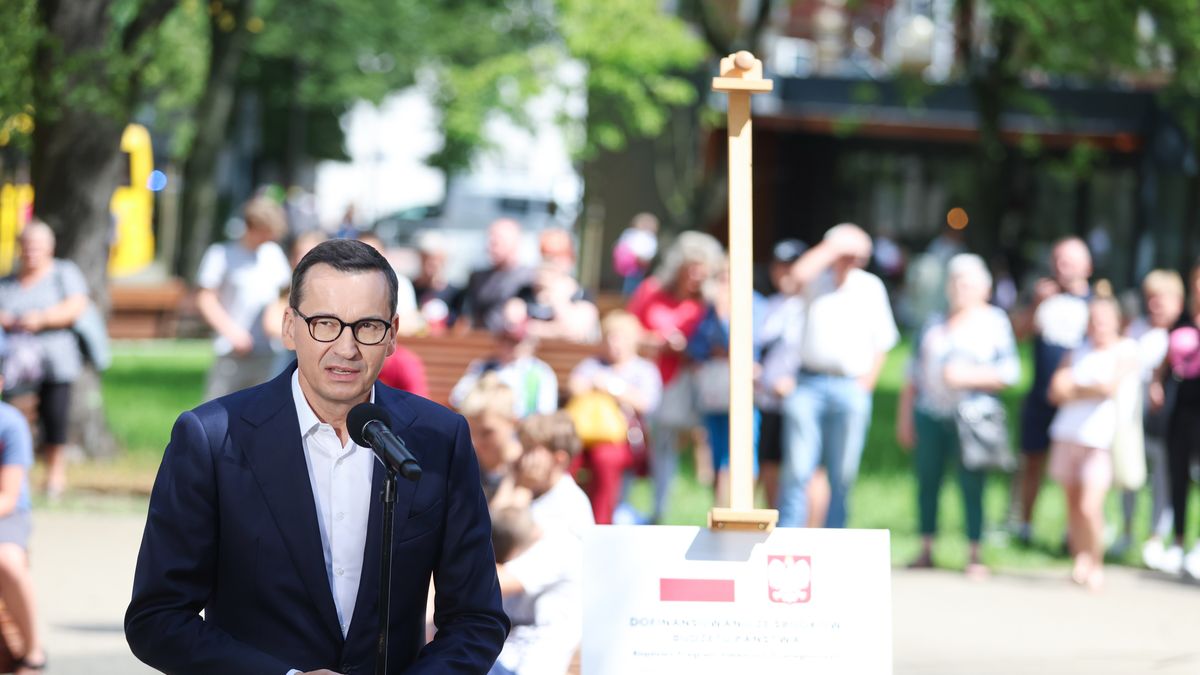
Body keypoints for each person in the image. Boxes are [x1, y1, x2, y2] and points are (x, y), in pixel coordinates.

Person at [126, 239, 508, 674]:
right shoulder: (212, 439)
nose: (346, 347)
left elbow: (476, 617)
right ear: (290, 326)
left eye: (367, 326)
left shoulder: (440, 438)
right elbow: (156, 619)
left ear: (393, 334)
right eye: (325, 323)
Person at [896, 254, 1020, 578]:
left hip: (973, 418)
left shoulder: (995, 322)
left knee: (972, 485)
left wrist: (967, 377)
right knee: (927, 482)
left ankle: (975, 553)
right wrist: (905, 417)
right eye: (954, 281)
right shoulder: (934, 323)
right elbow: (912, 374)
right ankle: (925, 547)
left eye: (966, 282)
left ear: (984, 288)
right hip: (930, 413)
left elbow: (1009, 372)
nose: (958, 288)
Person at [778, 223, 899, 528]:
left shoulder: (870, 286)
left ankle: (835, 539)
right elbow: (792, 278)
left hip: (849, 386)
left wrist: (865, 386)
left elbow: (882, 342)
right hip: (808, 383)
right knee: (797, 469)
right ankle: (788, 539)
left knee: (843, 474)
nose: (852, 260)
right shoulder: (816, 280)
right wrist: (833, 247)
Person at [627, 231, 724, 523]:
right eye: (690, 267)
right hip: (646, 377)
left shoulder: (709, 303)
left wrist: (688, 348)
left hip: (685, 385)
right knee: (640, 444)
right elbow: (627, 330)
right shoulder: (651, 291)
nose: (695, 275)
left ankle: (662, 508)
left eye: (701, 270)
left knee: (668, 444)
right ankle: (631, 507)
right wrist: (657, 342)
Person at [1047, 289, 1138, 590]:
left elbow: (1107, 387)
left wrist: (1077, 388)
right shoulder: (1078, 350)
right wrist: (1087, 388)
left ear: (1116, 321)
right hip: (1068, 435)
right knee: (1072, 505)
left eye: (1103, 320)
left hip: (1099, 440)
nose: (1097, 326)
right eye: (1093, 320)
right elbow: (1056, 391)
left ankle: (1095, 560)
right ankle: (1080, 559)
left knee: (1089, 507)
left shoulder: (1126, 349)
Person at [0, 220, 90, 498]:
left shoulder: (64, 273)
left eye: (37, 246)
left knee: (55, 417)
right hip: (15, 365)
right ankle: (15, 476)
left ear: (50, 248)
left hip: (55, 359)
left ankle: (54, 475)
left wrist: (41, 319)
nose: (31, 252)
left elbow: (77, 306)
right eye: (26, 246)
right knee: (15, 416)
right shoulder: (8, 282)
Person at [1012, 237, 1093, 545]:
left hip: (1074, 402)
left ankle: (1069, 531)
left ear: (1087, 266)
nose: (1062, 267)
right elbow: (1016, 334)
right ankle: (1024, 526)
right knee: (1032, 460)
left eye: (1070, 261)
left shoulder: (1095, 304)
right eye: (1058, 260)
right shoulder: (1043, 297)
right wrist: (1036, 304)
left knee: (1072, 470)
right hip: (1039, 397)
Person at [1114, 270, 1184, 566]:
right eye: (1151, 298)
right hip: (1132, 416)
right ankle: (1127, 529)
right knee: (1129, 472)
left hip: (1166, 420)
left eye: (1162, 298)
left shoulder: (1181, 335)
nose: (1155, 304)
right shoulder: (1136, 330)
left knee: (1163, 479)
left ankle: (1156, 536)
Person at [566, 311, 662, 524]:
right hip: (584, 435)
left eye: (620, 338)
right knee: (566, 459)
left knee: (605, 460)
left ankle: (601, 522)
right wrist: (593, 384)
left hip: (621, 439)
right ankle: (565, 518)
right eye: (610, 337)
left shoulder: (643, 370)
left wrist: (613, 389)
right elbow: (575, 387)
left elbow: (647, 403)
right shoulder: (592, 365)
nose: (614, 344)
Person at [195, 196, 292, 400]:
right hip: (232, 351)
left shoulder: (273, 255)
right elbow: (206, 299)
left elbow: (284, 294)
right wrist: (232, 332)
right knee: (219, 408)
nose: (270, 238)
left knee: (260, 412)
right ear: (252, 226)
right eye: (265, 231)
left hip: (267, 350)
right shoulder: (222, 254)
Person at [490, 504, 582, 675]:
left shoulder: (557, 546)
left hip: (531, 662)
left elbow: (493, 583)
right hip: (504, 656)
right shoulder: (531, 537)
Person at [0, 348, 47, 674]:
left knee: (7, 561)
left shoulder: (10, 424)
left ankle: (32, 651)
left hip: (8, 512)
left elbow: (8, 496)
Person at [1153, 259, 1200, 576]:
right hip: (1181, 410)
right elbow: (1163, 363)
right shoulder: (1180, 322)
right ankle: (1178, 541)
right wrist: (1157, 383)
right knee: (1177, 474)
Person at [755, 239, 807, 509]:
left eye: (791, 266)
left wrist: (795, 382)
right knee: (769, 464)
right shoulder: (768, 306)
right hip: (767, 400)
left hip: (801, 399)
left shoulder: (810, 306)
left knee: (803, 468)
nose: (784, 272)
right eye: (779, 266)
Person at [449, 318, 558, 420]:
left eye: (515, 342)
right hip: (484, 426)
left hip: (522, 431)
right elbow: (457, 397)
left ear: (530, 343)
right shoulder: (483, 366)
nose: (509, 346)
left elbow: (546, 411)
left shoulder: (541, 372)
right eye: (505, 340)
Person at [457, 375, 523, 506]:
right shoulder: (463, 467)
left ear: (513, 423)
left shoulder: (531, 468)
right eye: (469, 432)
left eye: (487, 432)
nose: (475, 442)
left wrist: (516, 478)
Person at [462, 219, 536, 332]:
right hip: (479, 342)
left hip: (509, 343)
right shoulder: (478, 278)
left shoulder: (529, 279)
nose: (490, 246)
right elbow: (466, 316)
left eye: (497, 241)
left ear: (514, 242)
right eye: (490, 240)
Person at [411, 231, 462, 334]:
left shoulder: (456, 294)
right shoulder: (409, 289)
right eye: (426, 258)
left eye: (436, 259)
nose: (432, 263)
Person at [613, 213, 659, 297]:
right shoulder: (642, 237)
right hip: (634, 270)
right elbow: (643, 255)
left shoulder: (629, 234)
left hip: (627, 270)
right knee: (632, 292)